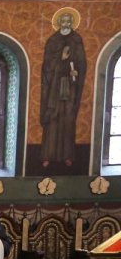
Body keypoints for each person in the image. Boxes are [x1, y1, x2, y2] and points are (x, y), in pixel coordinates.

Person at [40, 10, 86, 169]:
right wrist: (62, 60)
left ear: (72, 23)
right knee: (53, 121)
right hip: (54, 87)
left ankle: (67, 156)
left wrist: (77, 73)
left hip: (70, 87)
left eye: (69, 21)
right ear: (59, 22)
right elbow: (47, 66)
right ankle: (48, 155)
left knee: (68, 120)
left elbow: (81, 63)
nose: (66, 24)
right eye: (63, 21)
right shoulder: (53, 41)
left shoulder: (76, 40)